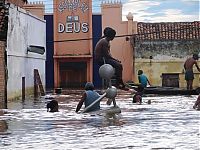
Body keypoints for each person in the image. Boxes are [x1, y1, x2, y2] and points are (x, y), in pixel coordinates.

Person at [94, 27, 129, 91]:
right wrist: (115, 60)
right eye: (113, 36)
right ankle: (118, 83)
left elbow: (108, 55)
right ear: (111, 36)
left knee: (117, 65)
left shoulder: (105, 40)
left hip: (103, 58)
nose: (114, 37)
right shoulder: (105, 42)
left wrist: (114, 60)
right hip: (101, 59)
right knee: (119, 65)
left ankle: (119, 82)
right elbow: (106, 55)